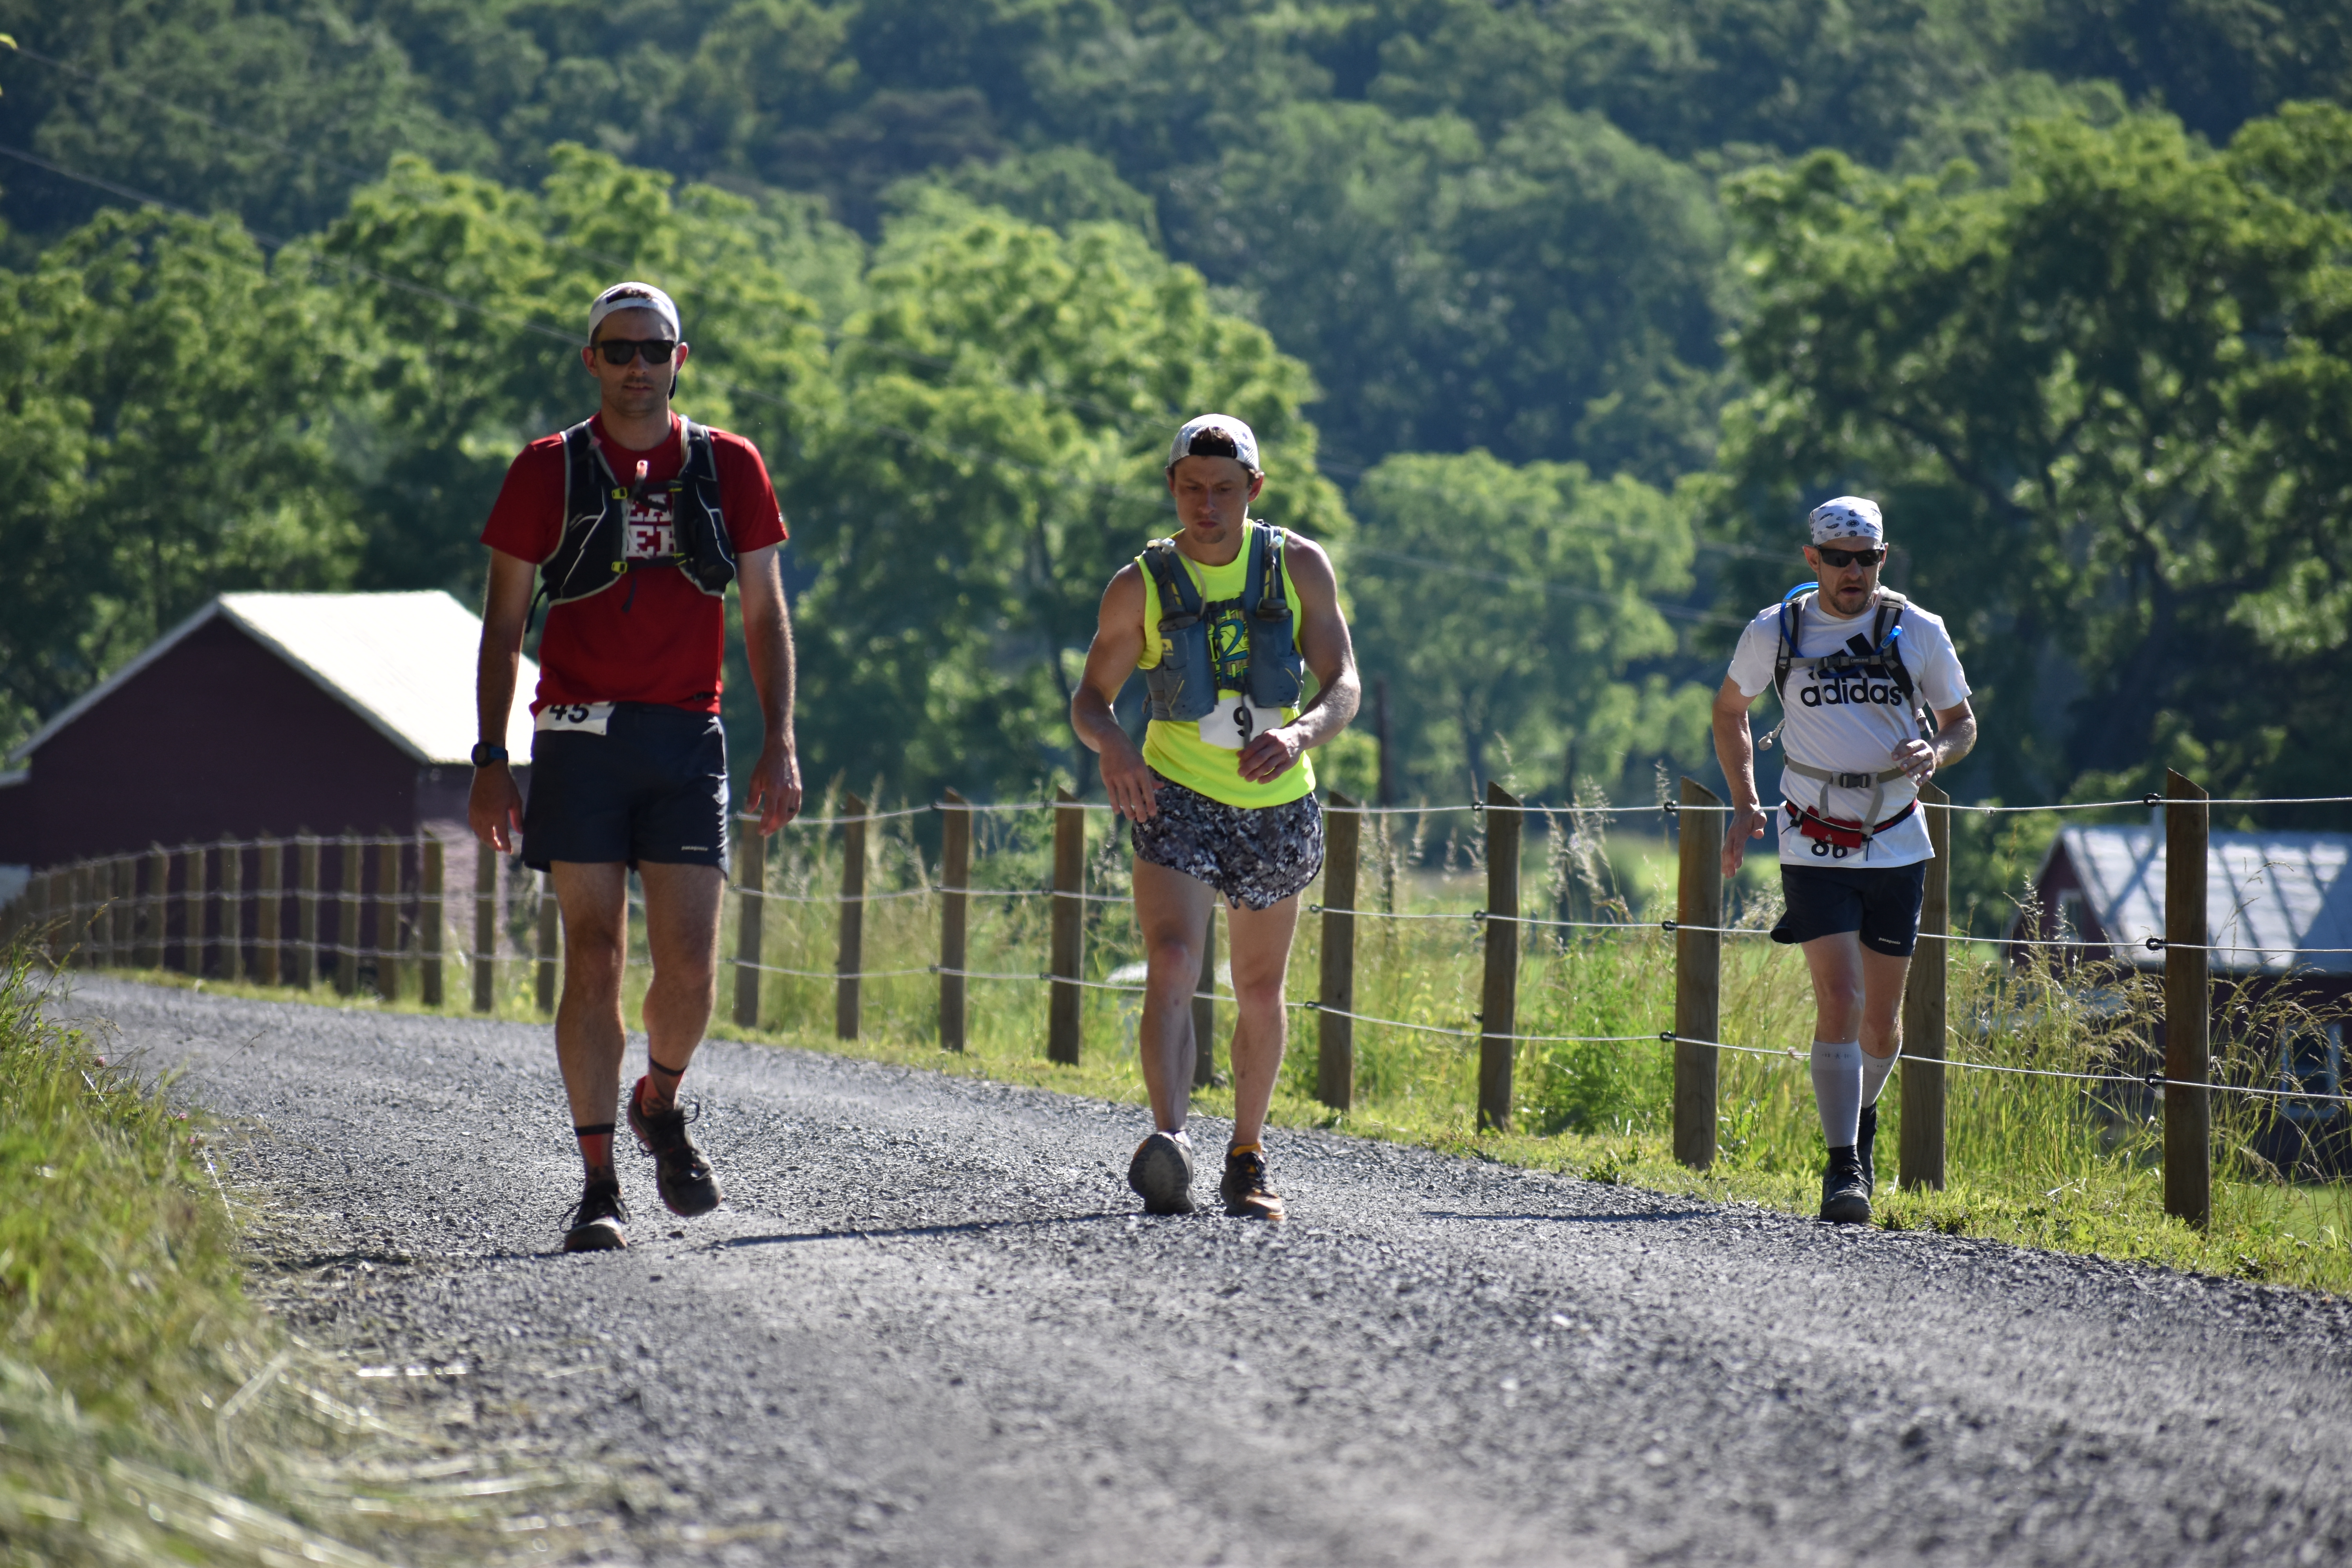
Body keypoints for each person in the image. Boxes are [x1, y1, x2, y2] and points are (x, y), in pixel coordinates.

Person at [470, 281, 802, 1253]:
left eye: (653, 349)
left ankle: (659, 1098)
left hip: (686, 734)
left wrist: (779, 738)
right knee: (594, 956)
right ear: (591, 362)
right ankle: (599, 1182)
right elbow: (502, 625)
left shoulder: (728, 465)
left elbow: (765, 614)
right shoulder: (547, 469)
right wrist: (493, 757)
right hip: (574, 735)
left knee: (691, 964)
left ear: (679, 359)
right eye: (617, 350)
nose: (636, 367)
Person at [1071, 414, 1361, 1221]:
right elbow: (1090, 698)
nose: (1207, 505)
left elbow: (1345, 683)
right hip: (1176, 795)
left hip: (1277, 800)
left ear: (1253, 490)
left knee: (1259, 987)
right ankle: (1169, 1143)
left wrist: (1303, 730)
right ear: (1172, 487)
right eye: (1192, 488)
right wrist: (1116, 749)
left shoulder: (1298, 565)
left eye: (1224, 490)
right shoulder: (1141, 584)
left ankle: (1246, 1152)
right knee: (1171, 959)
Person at [1712, 497, 1977, 1225]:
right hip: (1812, 834)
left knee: (1884, 1025)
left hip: (1895, 833)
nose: (1853, 572)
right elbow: (1730, 710)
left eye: (1867, 559)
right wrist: (1745, 800)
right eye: (1838, 559)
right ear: (1813, 561)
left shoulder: (1917, 631)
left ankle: (1860, 1124)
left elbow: (1961, 725)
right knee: (1842, 1000)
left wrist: (1937, 750)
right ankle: (1843, 1169)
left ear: (1883, 560)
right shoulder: (1778, 631)